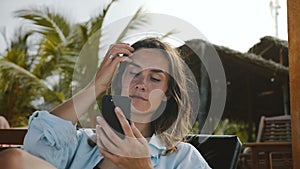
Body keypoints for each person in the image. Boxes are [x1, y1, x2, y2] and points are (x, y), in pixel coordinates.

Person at [1, 38, 211, 169]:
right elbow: (36, 144)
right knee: (13, 159)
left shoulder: (184, 158)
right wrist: (95, 86)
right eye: (133, 73)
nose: (141, 84)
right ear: (118, 82)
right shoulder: (80, 143)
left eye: (155, 79)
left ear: (166, 95)